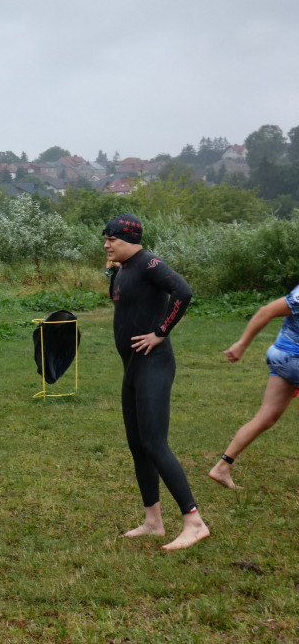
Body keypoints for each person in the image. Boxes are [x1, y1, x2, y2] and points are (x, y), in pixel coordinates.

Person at [103, 213, 209, 551]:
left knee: (155, 443)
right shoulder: (123, 270)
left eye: (111, 239)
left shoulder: (149, 264)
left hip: (154, 366)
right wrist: (112, 269)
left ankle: (194, 522)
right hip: (132, 368)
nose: (106, 245)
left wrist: (160, 333)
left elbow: (183, 291)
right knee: (137, 444)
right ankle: (153, 521)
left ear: (129, 239)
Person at [208, 287, 299, 489]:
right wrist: (241, 344)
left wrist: (242, 345)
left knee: (266, 417)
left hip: (281, 356)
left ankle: (222, 467)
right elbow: (267, 311)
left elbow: (267, 311)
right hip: (293, 358)